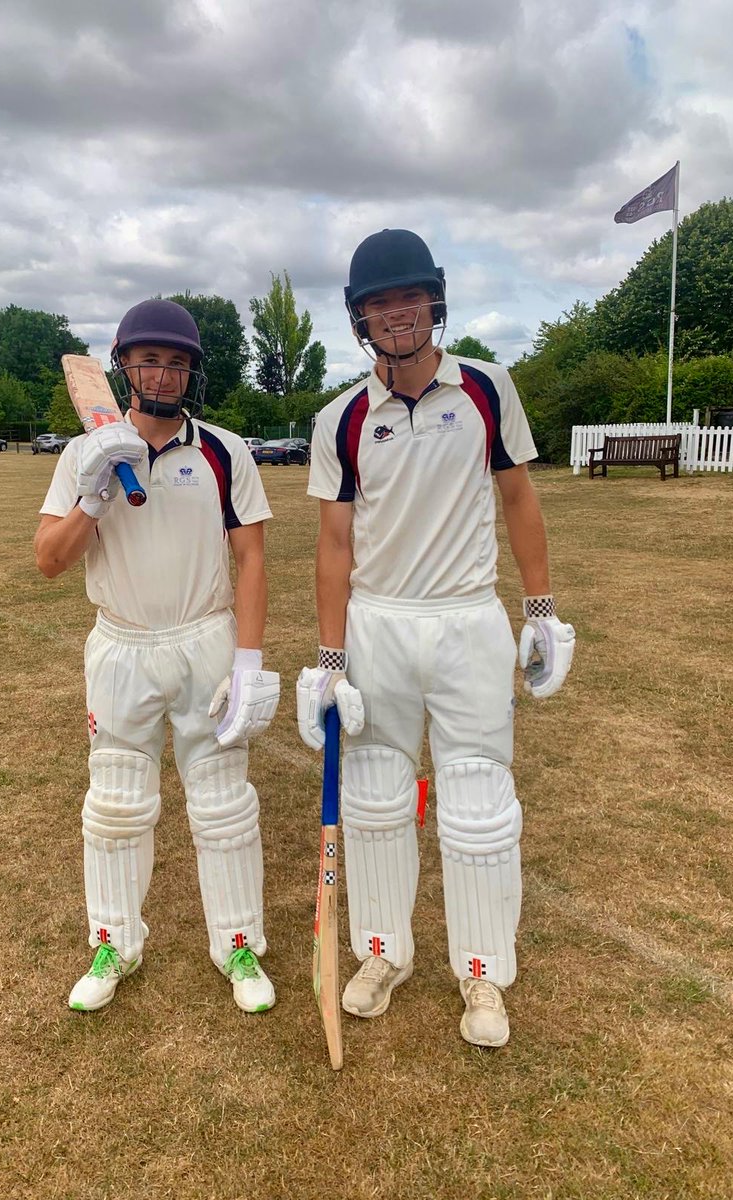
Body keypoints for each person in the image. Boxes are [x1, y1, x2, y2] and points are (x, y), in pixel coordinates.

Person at [297, 229, 575, 1047]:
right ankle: (383, 953)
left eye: (409, 297)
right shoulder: (341, 418)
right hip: (379, 622)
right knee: (377, 799)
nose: (397, 314)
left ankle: (482, 973)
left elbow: (519, 499)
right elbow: (334, 545)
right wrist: (329, 662)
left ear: (435, 302)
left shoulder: (486, 388)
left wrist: (540, 610)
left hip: (466, 618)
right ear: (360, 319)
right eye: (379, 303)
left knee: (479, 803)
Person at [35, 299, 280, 1015]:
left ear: (191, 372)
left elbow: (252, 559)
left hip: (205, 640)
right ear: (124, 367)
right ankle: (114, 944)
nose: (164, 375)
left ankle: (239, 945)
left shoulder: (224, 451)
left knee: (224, 803)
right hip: (122, 645)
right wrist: (94, 496)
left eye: (177, 363)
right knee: (115, 804)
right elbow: (49, 560)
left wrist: (248, 662)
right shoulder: (82, 456)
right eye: (149, 361)